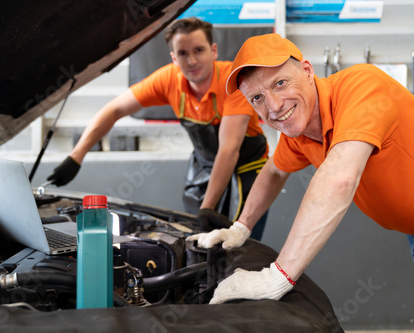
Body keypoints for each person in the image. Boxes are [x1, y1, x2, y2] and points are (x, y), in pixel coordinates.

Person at [188, 33, 414, 304]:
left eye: (280, 83)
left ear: (307, 71)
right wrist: (240, 229)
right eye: (257, 98)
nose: (273, 106)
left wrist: (276, 277)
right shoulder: (302, 132)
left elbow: (339, 178)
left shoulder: (363, 86)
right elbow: (274, 172)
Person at [46, 18, 269, 239]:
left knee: (240, 243)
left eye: (199, 50)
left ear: (213, 50)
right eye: (183, 53)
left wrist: (207, 207)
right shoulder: (168, 80)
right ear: (173, 57)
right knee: (199, 242)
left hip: (247, 170)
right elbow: (113, 110)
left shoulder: (233, 82)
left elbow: (229, 150)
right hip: (205, 168)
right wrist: (76, 157)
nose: (192, 60)